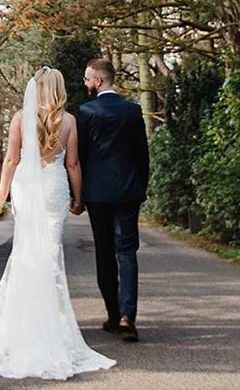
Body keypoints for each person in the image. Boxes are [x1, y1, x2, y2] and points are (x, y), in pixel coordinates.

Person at [0, 68, 116, 380]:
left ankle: (23, 323)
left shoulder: (21, 117)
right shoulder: (70, 121)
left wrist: (0, 196)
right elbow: (72, 163)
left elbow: (11, 159)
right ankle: (47, 324)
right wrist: (79, 198)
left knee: (25, 252)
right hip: (54, 188)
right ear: (59, 88)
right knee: (50, 255)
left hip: (26, 188)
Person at [77, 58, 149, 342]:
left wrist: (78, 195)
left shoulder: (86, 111)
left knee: (104, 253)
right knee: (127, 252)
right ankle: (127, 316)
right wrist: (140, 187)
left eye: (86, 79)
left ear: (98, 81)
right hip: (128, 191)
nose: (84, 84)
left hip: (97, 194)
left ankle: (112, 314)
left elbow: (80, 157)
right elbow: (142, 155)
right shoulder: (133, 111)